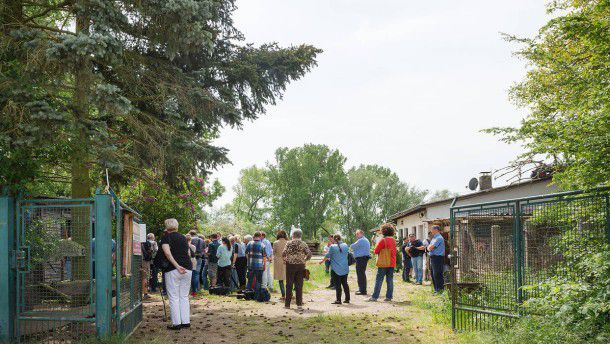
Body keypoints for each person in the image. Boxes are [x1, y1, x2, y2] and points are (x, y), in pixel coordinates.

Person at [160, 219, 193, 330]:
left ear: (166, 226)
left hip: (173, 269)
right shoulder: (183, 237)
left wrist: (177, 266)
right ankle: (186, 322)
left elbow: (167, 254)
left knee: (174, 297)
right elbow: (188, 253)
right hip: (188, 268)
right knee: (184, 296)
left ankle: (176, 323)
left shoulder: (166, 237)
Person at [282, 228, 311, 309]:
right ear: (300, 235)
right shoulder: (303, 243)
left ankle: (287, 305)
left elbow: (283, 253)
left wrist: (285, 260)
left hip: (290, 265)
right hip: (300, 266)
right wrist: (304, 260)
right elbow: (309, 254)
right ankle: (299, 304)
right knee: (299, 285)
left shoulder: (289, 243)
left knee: (289, 285)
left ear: (293, 235)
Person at [369, 223, 397, 302]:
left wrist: (375, 244)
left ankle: (374, 297)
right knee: (390, 280)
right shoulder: (393, 240)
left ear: (384, 231)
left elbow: (376, 251)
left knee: (379, 280)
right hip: (392, 263)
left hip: (384, 262)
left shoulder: (383, 240)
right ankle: (389, 297)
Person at [326, 234, 350, 305]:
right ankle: (347, 299)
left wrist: (329, 246)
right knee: (345, 283)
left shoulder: (332, 247)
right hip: (345, 268)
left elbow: (327, 255)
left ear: (333, 239)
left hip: (336, 269)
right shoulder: (345, 245)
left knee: (338, 285)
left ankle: (338, 300)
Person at [246, 231, 266, 298]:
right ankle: (256, 295)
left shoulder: (249, 243)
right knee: (258, 281)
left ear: (254, 236)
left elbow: (246, 253)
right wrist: (264, 265)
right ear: (260, 236)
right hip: (259, 266)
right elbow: (264, 256)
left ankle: (247, 294)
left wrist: (249, 260)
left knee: (250, 280)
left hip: (250, 265)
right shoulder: (262, 245)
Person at [350, 229, 371, 295]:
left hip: (361, 259)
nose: (356, 235)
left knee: (360, 274)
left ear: (361, 233)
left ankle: (362, 290)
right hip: (363, 259)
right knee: (361, 274)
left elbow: (352, 246)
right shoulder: (364, 240)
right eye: (356, 234)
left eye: (357, 234)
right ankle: (362, 289)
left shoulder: (361, 240)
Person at [427, 225, 445, 293]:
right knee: (433, 273)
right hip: (433, 257)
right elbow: (429, 247)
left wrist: (429, 248)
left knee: (437, 274)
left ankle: (439, 289)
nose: (431, 231)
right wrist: (429, 247)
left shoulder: (439, 238)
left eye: (432, 229)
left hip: (437, 258)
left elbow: (430, 248)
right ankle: (436, 289)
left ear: (436, 230)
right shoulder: (434, 238)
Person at [272, 230, 288, 300]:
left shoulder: (275, 243)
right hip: (287, 261)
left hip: (278, 261)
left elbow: (274, 252)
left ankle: (283, 294)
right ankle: (290, 293)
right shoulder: (288, 242)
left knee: (280, 279)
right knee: (288, 278)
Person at [188, 230, 205, 296]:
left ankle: (192, 289)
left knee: (190, 273)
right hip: (199, 258)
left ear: (190, 234)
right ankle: (196, 289)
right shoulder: (202, 240)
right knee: (197, 274)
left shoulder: (191, 239)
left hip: (192, 258)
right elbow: (204, 250)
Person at [142, 233, 158, 298]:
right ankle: (152, 288)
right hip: (150, 261)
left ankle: (146, 290)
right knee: (151, 275)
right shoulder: (154, 243)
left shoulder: (143, 242)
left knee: (144, 275)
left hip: (144, 260)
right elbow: (156, 250)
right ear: (153, 237)